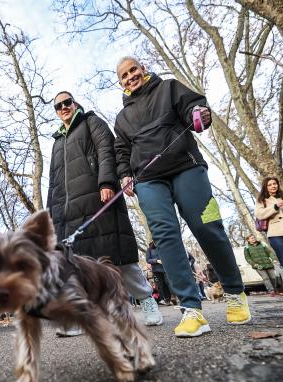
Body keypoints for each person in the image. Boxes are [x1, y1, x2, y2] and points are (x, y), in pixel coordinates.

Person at [113, 56, 251, 337]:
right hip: (149, 179)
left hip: (186, 166)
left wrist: (199, 115)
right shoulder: (122, 117)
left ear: (143, 69)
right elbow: (121, 151)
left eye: (133, 70)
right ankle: (191, 309)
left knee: (207, 227)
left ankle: (235, 293)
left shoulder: (170, 88)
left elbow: (193, 107)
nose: (130, 77)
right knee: (165, 236)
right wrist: (124, 174)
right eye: (124, 76)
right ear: (121, 83)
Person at [47, 90, 162, 338]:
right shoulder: (57, 141)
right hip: (68, 210)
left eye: (67, 102)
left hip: (99, 197)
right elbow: (53, 181)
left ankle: (146, 299)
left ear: (75, 103)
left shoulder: (91, 122)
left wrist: (107, 183)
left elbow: (106, 151)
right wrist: (50, 213)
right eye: (58, 106)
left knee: (120, 257)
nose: (64, 107)